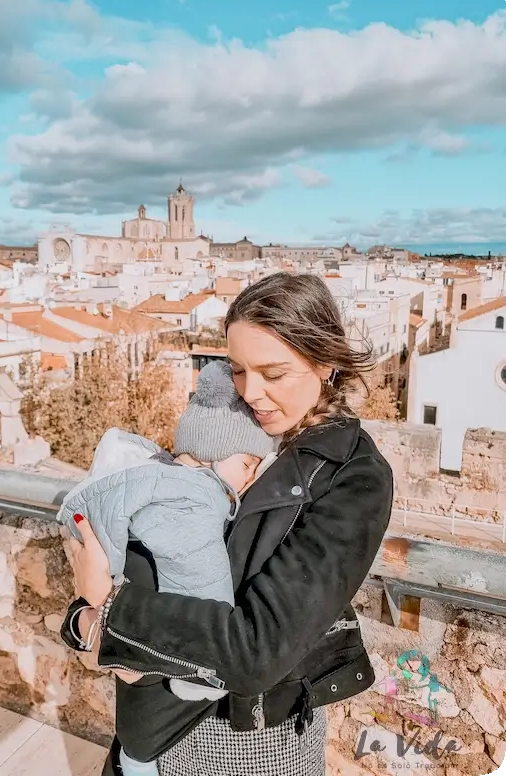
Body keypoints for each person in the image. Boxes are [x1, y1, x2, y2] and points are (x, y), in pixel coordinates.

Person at [61, 271, 394, 776]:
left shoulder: (354, 480)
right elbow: (155, 542)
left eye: (273, 373)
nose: (252, 392)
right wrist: (87, 616)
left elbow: (256, 652)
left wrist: (102, 613)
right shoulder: (232, 426)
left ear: (326, 364)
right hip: (152, 728)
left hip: (249, 745)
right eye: (238, 369)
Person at [57, 360, 278, 776]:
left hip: (137, 701)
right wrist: (205, 677)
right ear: (217, 453)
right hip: (163, 717)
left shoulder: (148, 479)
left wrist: (95, 611)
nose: (248, 480)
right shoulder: (192, 502)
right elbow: (203, 581)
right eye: (248, 465)